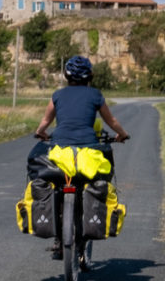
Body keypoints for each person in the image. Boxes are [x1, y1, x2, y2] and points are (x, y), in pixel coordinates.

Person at [34, 55, 129, 260]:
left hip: (60, 151)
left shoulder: (57, 95)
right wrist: (122, 134)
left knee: (54, 181)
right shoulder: (95, 95)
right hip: (88, 152)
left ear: (66, 76)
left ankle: (58, 235)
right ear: (90, 77)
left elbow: (45, 121)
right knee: (102, 172)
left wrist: (40, 132)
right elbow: (111, 120)